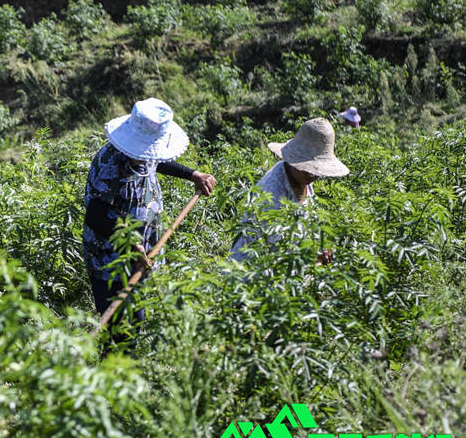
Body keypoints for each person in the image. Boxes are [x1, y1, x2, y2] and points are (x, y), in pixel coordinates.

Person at [83, 97, 216, 347]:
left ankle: (126, 361)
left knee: (136, 319)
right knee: (118, 329)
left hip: (142, 252)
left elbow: (158, 159)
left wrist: (193, 175)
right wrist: (129, 243)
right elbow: (95, 214)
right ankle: (113, 365)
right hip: (110, 257)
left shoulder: (145, 153)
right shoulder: (109, 162)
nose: (146, 155)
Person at [229, 117, 349, 263]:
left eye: (316, 170)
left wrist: (318, 251)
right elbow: (279, 254)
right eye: (308, 168)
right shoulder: (272, 193)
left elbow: (302, 230)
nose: (313, 175)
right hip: (250, 271)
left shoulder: (302, 178)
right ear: (295, 161)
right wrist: (313, 259)